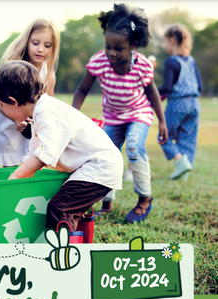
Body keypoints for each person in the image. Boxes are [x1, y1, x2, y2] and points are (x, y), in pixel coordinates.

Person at [0, 60, 123, 232]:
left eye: (1, 104)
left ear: (13, 101)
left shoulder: (47, 112)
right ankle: (80, 240)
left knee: (60, 209)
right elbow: (34, 155)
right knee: (69, 206)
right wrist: (23, 178)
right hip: (90, 167)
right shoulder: (40, 112)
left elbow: (44, 155)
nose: (1, 108)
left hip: (99, 166)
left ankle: (62, 255)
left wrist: (15, 176)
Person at [71, 3, 168, 223]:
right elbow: (82, 90)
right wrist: (73, 116)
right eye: (108, 46)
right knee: (106, 155)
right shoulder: (99, 62)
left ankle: (144, 199)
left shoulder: (142, 66)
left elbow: (152, 93)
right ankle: (107, 202)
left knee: (133, 146)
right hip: (113, 116)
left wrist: (162, 121)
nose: (112, 53)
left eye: (119, 48)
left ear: (133, 45)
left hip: (138, 113)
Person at [0, 18, 60, 167]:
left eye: (47, 45)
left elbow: (48, 106)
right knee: (11, 163)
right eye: (35, 43)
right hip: (8, 124)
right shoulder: (12, 68)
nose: (40, 49)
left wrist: (33, 123)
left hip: (31, 128)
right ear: (26, 41)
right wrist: (16, 119)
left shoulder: (48, 75)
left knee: (31, 162)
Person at [158, 24, 202, 180]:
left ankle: (179, 162)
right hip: (195, 105)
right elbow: (200, 86)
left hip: (177, 104)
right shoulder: (191, 60)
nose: (164, 46)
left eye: (165, 42)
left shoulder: (171, 61)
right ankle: (183, 174)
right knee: (188, 139)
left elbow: (167, 87)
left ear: (171, 40)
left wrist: (150, 91)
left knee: (164, 136)